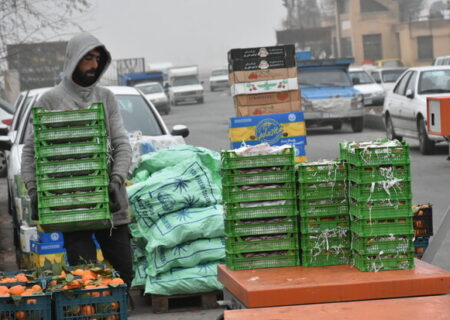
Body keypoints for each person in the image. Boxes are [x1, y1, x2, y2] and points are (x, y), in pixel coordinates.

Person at [21, 32, 133, 287]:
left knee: (125, 272)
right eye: (88, 58)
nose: (94, 65)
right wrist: (33, 191)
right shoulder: (49, 101)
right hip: (71, 208)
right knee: (85, 279)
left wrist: (116, 181)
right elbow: (30, 152)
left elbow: (121, 143)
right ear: (73, 60)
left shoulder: (106, 98)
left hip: (109, 203)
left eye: (97, 59)